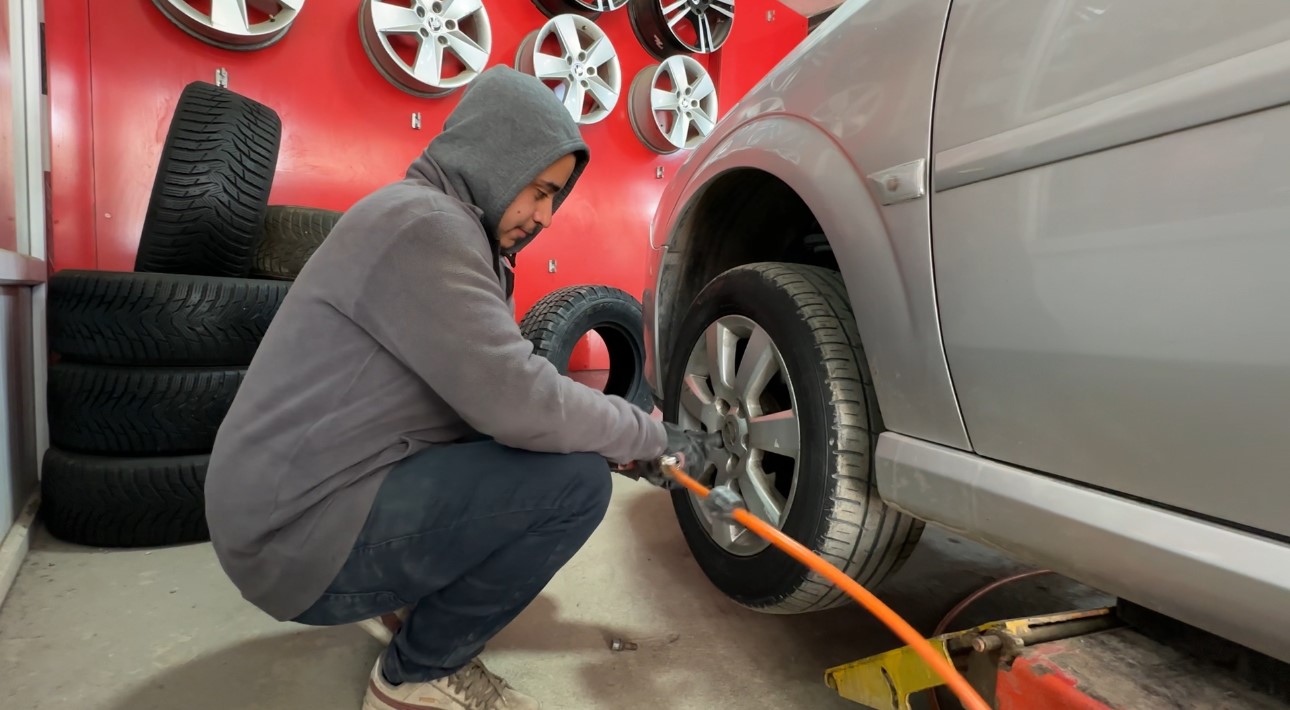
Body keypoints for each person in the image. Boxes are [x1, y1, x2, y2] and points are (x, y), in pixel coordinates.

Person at [203, 66, 713, 710]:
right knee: (574, 487)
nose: (546, 216)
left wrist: (623, 444)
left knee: (550, 453)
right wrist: (649, 433)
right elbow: (521, 403)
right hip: (291, 540)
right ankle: (415, 672)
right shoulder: (426, 228)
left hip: (288, 507)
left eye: (555, 197)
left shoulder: (440, 228)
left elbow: (491, 406)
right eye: (538, 190)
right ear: (495, 160)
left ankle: (405, 602)